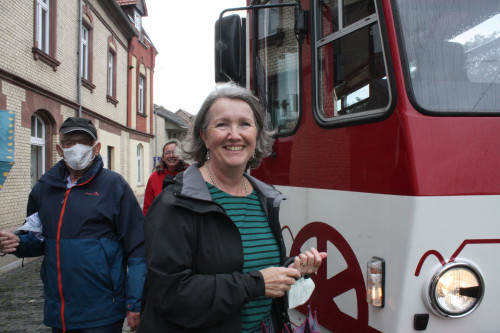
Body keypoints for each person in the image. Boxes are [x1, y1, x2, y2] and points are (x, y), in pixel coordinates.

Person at [138, 83, 327, 333]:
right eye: (222, 124)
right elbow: (169, 295)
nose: (234, 134)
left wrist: (290, 270)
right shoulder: (174, 202)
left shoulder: (264, 198)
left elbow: (252, 268)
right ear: (204, 136)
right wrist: (255, 284)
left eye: (245, 124)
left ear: (257, 135)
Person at [0, 117, 146, 333]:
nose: (76, 148)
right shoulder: (43, 189)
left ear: (96, 148)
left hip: (103, 310)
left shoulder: (114, 186)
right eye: (69, 142)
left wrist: (135, 302)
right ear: (60, 149)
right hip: (59, 311)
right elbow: (39, 239)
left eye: (83, 142)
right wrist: (17, 243)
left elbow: (138, 248)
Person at [142, 139, 188, 215]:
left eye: (174, 152)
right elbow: (148, 206)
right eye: (167, 153)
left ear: (180, 155)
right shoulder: (154, 177)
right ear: (163, 157)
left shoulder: (188, 174)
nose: (171, 156)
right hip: (160, 222)